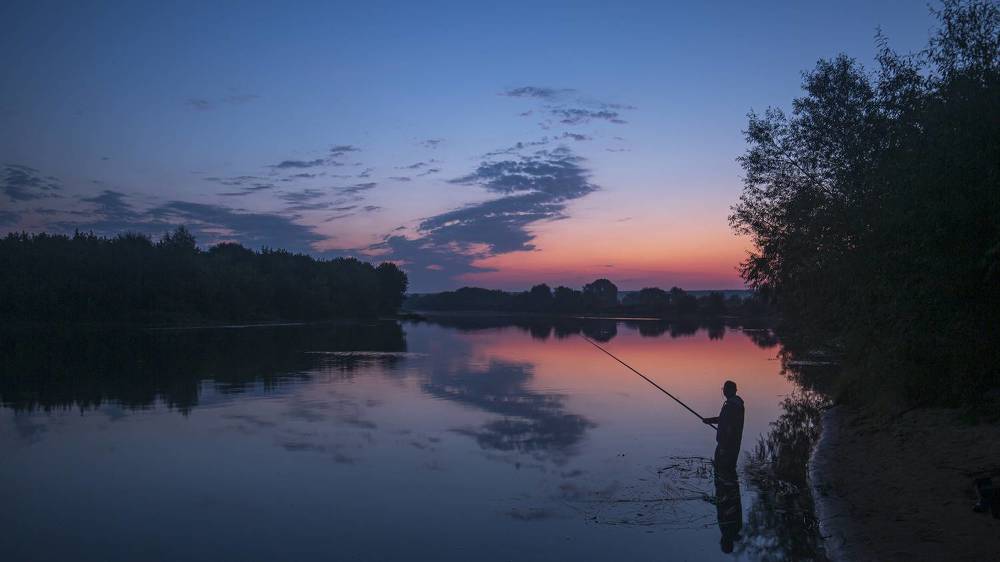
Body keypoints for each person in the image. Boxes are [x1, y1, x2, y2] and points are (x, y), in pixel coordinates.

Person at [702, 380, 745, 474]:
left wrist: (723, 447)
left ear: (732, 390)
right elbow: (723, 419)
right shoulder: (736, 403)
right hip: (734, 444)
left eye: (725, 389)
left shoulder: (731, 406)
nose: (724, 391)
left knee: (721, 468)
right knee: (729, 470)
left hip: (726, 444)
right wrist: (708, 420)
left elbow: (729, 427)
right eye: (723, 389)